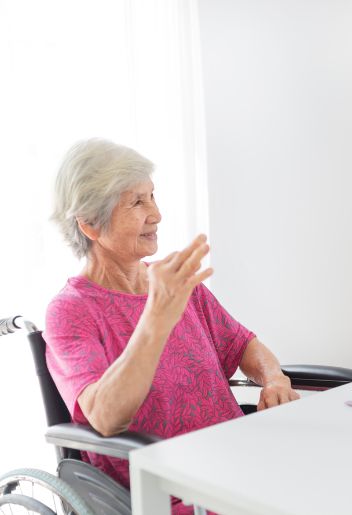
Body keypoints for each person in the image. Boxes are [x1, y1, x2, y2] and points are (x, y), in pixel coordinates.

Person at [44, 138, 299, 509]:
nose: (157, 214)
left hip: (240, 466)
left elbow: (242, 344)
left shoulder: (173, 283)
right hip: (173, 492)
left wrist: (274, 378)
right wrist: (156, 319)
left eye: (152, 196)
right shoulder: (72, 311)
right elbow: (105, 416)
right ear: (89, 225)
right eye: (136, 202)